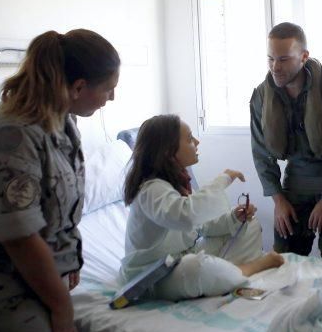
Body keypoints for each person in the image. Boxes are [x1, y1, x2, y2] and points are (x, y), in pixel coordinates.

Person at [0, 29, 121, 332]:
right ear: (79, 87)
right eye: (108, 88)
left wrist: (67, 261)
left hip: (35, 283)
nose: (111, 98)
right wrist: (62, 307)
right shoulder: (12, 134)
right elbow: (20, 236)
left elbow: (56, 208)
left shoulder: (60, 121)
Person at [120, 114, 284, 300]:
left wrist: (234, 218)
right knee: (195, 267)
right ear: (167, 151)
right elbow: (186, 216)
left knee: (249, 225)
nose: (197, 142)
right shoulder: (150, 189)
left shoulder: (178, 182)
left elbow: (200, 227)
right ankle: (247, 269)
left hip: (180, 258)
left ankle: (221, 275)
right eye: (190, 139)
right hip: (152, 275)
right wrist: (222, 180)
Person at [250, 22, 322, 258]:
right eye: (270, 59)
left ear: (304, 57)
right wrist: (278, 201)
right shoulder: (262, 95)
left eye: (283, 59)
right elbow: (261, 154)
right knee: (282, 260)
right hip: (294, 187)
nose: (275, 67)